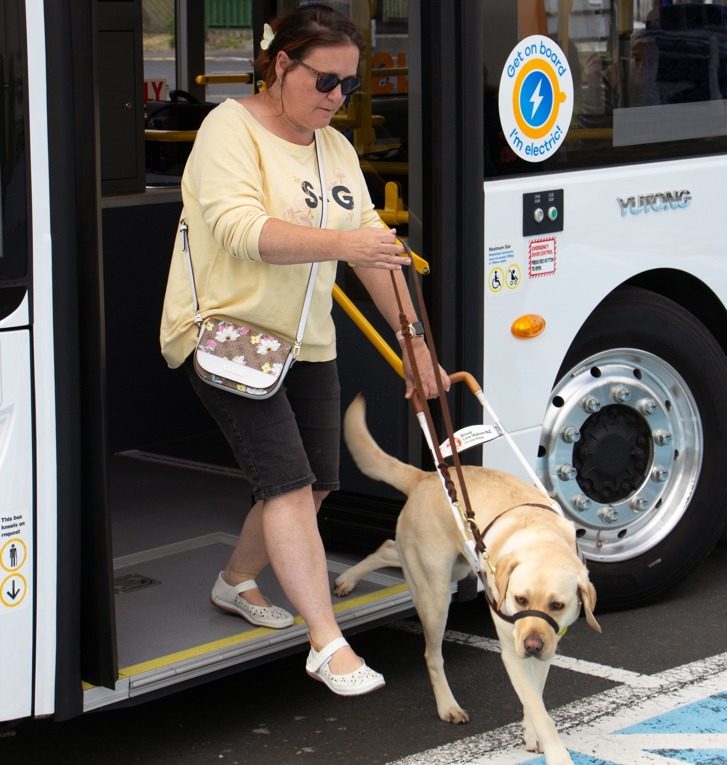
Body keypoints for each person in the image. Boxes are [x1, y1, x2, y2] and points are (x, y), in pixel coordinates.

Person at [159, 3, 448, 697]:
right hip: (225, 333)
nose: (337, 99)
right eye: (324, 81)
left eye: (349, 85)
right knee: (285, 482)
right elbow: (240, 231)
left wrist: (413, 345)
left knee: (315, 484)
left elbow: (376, 251)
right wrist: (345, 244)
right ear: (280, 64)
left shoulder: (335, 146)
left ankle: (234, 581)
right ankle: (326, 640)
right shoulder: (228, 129)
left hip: (304, 339)